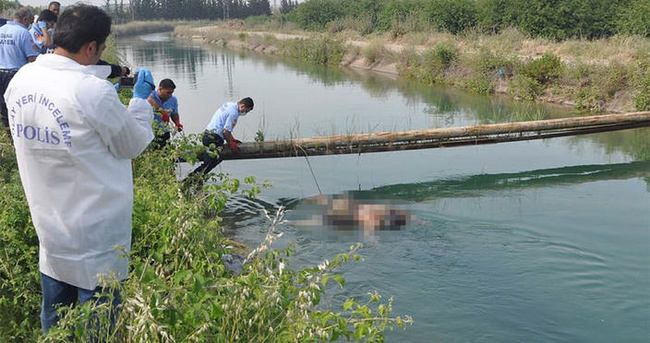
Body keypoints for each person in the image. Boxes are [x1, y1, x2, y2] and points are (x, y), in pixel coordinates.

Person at [4, 4, 154, 333]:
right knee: (98, 329)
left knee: (56, 326)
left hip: (52, 231)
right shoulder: (91, 91)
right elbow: (134, 143)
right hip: (98, 241)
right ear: (91, 48)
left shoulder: (21, 79)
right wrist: (141, 102)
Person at [189, 97, 253, 177]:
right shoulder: (234, 113)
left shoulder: (229, 104)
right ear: (242, 106)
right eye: (246, 110)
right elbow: (225, 131)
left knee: (214, 160)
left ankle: (198, 180)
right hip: (213, 139)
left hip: (207, 134)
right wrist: (231, 144)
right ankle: (191, 179)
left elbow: (223, 125)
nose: (245, 113)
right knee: (210, 162)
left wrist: (232, 139)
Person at [0, 8, 37, 130]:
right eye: (30, 22)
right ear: (25, 19)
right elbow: (32, 57)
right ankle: (17, 131)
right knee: (16, 105)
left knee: (3, 105)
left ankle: (7, 129)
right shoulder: (23, 32)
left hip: (0, 72)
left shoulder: (1, 30)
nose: (29, 25)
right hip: (15, 74)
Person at [147, 78, 182, 148]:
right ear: (160, 89)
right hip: (150, 132)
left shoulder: (173, 100)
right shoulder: (151, 94)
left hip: (164, 132)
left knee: (165, 154)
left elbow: (174, 113)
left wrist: (177, 122)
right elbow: (149, 100)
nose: (170, 95)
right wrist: (163, 112)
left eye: (171, 93)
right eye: (168, 92)